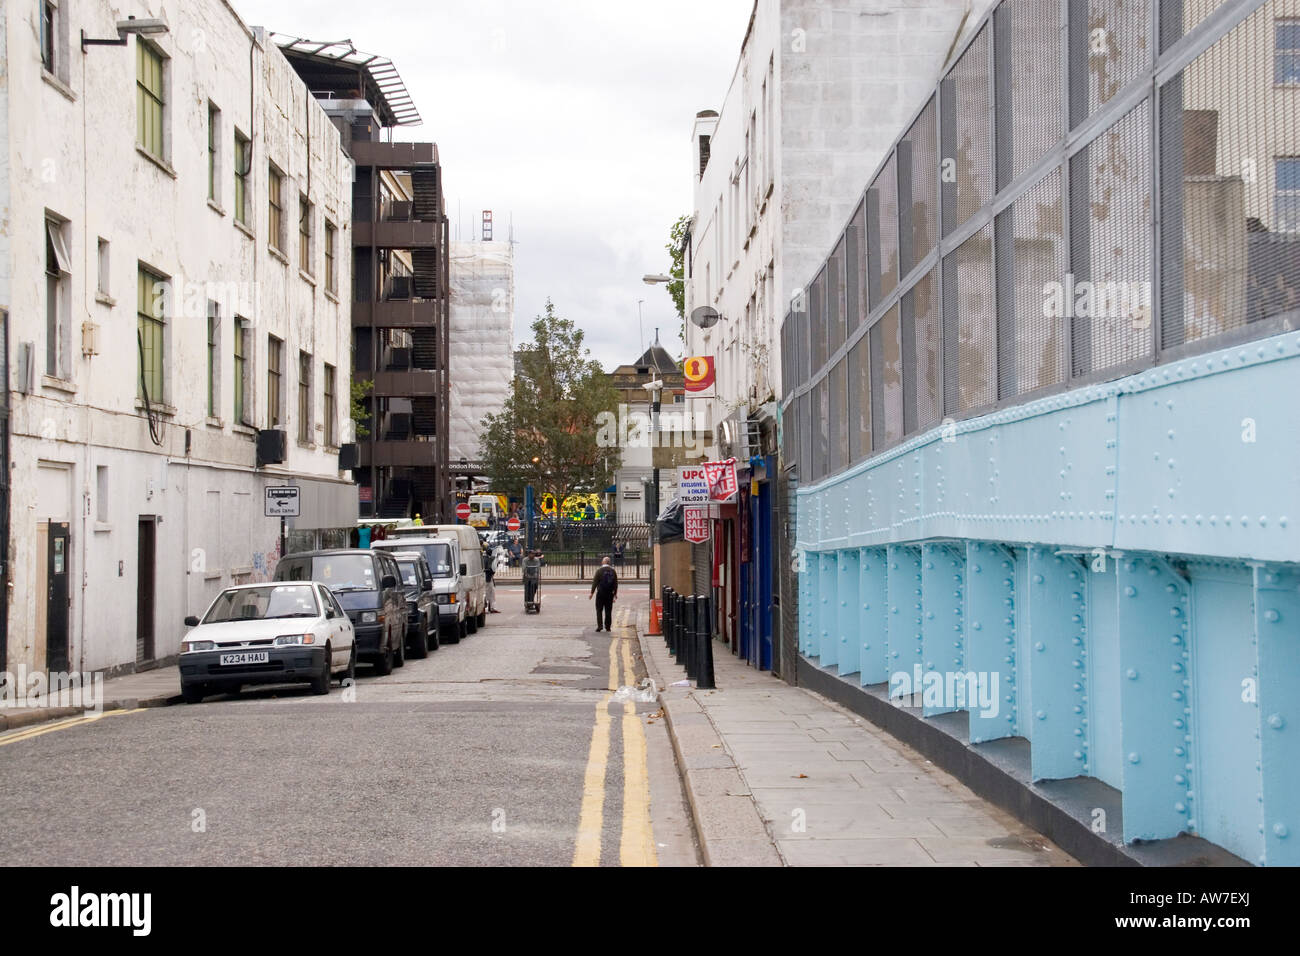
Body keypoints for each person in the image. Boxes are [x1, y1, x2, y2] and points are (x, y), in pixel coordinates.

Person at [589, 556, 618, 633]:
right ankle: (608, 627)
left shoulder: (599, 571)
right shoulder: (613, 571)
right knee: (608, 610)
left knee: (599, 610)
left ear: (604, 562)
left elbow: (595, 582)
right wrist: (615, 594)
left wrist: (591, 593)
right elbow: (615, 583)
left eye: (602, 561)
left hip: (601, 593)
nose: (602, 562)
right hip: (609, 594)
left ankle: (600, 626)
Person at [483, 548, 500, 613]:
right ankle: (488, 608)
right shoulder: (487, 559)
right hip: (487, 578)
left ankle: (492, 607)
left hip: (489, 577)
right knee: (488, 593)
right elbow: (489, 568)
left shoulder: (487, 558)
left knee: (491, 592)